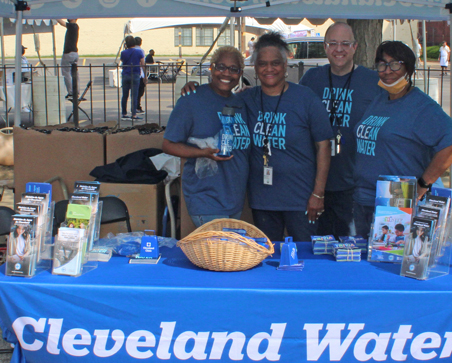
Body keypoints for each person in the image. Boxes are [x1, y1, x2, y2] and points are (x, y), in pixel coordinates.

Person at [353, 41, 452, 239]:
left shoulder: (421, 106)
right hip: (365, 197)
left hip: (398, 199)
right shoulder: (380, 98)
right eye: (382, 64)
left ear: (409, 68)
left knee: (391, 261)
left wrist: (423, 184)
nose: (387, 70)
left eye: (395, 64)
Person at [239, 32, 333, 242]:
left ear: (286, 64)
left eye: (275, 63)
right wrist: (191, 89)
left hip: (301, 199)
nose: (269, 69)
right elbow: (217, 97)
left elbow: (324, 147)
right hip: (263, 199)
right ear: (255, 67)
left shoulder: (305, 98)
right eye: (263, 63)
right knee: (268, 258)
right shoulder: (246, 99)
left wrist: (318, 194)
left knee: (306, 258)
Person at [299, 23, 382, 239]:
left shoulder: (373, 82)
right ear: (325, 47)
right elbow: (288, 104)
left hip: (354, 184)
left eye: (345, 44)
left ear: (355, 47)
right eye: (333, 43)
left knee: (350, 248)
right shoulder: (311, 79)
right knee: (318, 247)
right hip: (315, 182)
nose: (339, 49)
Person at [162, 46, 251, 227]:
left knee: (226, 253)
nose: (226, 73)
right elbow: (168, 144)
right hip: (206, 197)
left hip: (235, 197)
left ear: (240, 73)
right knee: (218, 253)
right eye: (220, 67)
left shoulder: (241, 102)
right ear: (211, 68)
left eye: (233, 69)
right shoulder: (192, 100)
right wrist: (202, 153)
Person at [120, 35, 144, 121]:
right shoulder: (139, 52)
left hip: (126, 74)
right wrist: (145, 76)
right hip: (135, 74)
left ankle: (124, 113)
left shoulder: (123, 53)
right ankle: (133, 114)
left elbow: (122, 61)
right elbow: (142, 63)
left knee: (124, 95)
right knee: (134, 95)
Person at [57, 19, 79, 99]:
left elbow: (62, 23)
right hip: (75, 52)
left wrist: (55, 16)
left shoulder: (72, 26)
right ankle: (76, 90)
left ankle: (71, 92)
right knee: (75, 73)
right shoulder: (75, 27)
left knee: (66, 72)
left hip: (68, 52)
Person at [134, 37, 147, 113]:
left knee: (134, 92)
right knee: (140, 91)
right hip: (139, 73)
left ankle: (134, 107)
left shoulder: (130, 50)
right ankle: (137, 106)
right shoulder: (141, 51)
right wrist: (145, 75)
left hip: (132, 72)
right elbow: (143, 63)